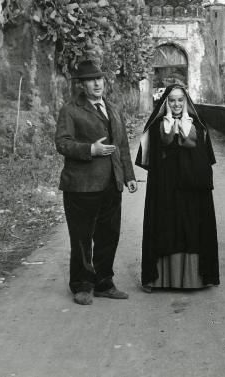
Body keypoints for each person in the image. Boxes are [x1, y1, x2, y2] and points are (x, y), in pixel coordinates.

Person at [55, 60, 137, 306]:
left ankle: (104, 283)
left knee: (108, 236)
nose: (97, 83)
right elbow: (62, 142)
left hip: (112, 184)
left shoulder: (112, 108)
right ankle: (82, 285)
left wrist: (129, 176)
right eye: (91, 80)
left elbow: (121, 145)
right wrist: (91, 149)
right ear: (81, 85)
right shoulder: (70, 110)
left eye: (99, 78)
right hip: (81, 186)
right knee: (82, 238)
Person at [135, 84, 219, 290]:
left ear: (186, 101)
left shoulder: (197, 126)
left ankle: (194, 279)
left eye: (180, 100)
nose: (176, 104)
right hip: (164, 189)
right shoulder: (157, 127)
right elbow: (154, 156)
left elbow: (204, 157)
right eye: (172, 100)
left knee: (191, 228)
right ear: (165, 102)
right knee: (166, 227)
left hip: (192, 190)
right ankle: (159, 279)